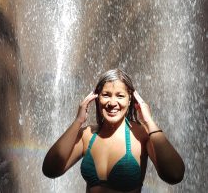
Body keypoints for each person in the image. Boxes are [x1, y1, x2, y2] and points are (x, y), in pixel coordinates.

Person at [42, 68, 185, 192]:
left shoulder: (141, 135)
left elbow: (175, 175)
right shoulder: (88, 135)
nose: (112, 103)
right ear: (97, 98)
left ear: (130, 100)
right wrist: (78, 121)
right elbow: (50, 170)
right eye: (106, 95)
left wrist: (149, 121)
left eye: (120, 96)